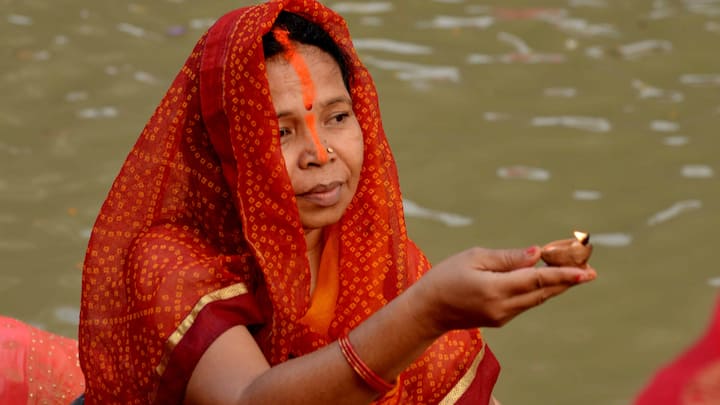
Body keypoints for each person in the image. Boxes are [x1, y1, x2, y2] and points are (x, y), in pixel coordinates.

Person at [0, 0, 597, 404]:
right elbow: (249, 399)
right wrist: (429, 312)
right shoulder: (167, 259)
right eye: (280, 131)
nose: (320, 153)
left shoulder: (377, 254)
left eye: (337, 117)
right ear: (227, 149)